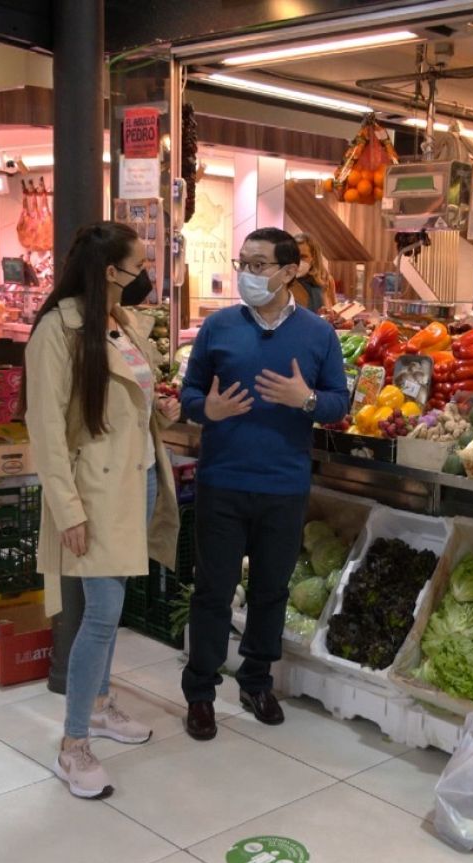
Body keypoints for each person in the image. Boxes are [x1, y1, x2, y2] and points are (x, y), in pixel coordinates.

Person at [26, 221, 181, 799]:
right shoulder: (57, 331)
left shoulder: (124, 322)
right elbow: (45, 429)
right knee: (101, 613)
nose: (146, 275)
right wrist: (67, 510)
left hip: (139, 479)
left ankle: (97, 704)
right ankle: (73, 745)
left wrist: (159, 409)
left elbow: (134, 400)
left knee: (110, 610)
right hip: (93, 491)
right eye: (139, 265)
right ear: (111, 271)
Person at [179, 226, 351, 740]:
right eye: (243, 264)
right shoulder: (218, 327)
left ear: (289, 271)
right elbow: (190, 394)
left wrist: (306, 400)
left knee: (271, 591)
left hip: (284, 483)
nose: (248, 275)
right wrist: (207, 409)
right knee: (213, 591)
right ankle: (201, 692)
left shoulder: (318, 334)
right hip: (222, 479)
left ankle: (256, 681)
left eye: (259, 265)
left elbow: (339, 403)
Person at [288, 232, 337, 314]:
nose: (297, 261)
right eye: (294, 256)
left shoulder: (325, 279)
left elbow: (334, 308)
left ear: (313, 258)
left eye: (303, 257)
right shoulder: (286, 283)